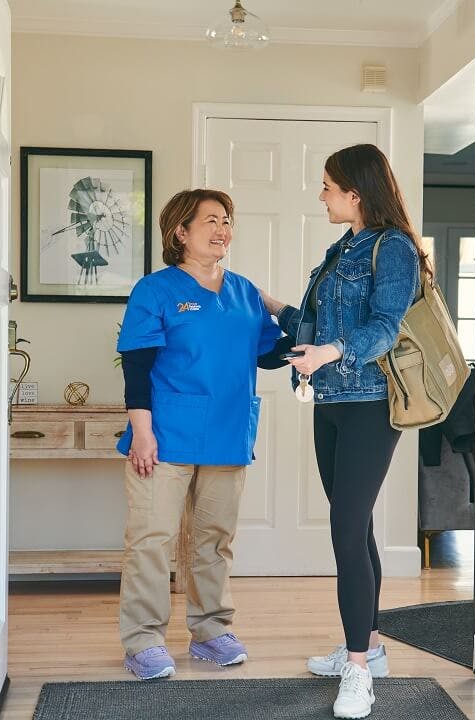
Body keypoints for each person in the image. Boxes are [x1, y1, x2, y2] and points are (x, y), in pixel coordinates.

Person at [260, 144, 427, 719]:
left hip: (370, 403)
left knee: (345, 528)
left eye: (328, 186)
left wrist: (332, 350)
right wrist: (265, 301)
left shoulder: (395, 247)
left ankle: (358, 672)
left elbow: (384, 326)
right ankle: (370, 647)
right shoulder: (343, 248)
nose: (321, 194)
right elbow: (314, 324)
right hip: (329, 402)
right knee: (355, 529)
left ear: (355, 192)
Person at [115, 188, 282, 680]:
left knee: (213, 540)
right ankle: (143, 640)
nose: (222, 228)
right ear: (180, 232)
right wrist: (141, 431)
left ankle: (211, 630)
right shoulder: (156, 289)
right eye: (210, 220)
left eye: (227, 220)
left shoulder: (246, 292)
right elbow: (137, 365)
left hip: (228, 433)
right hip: (165, 435)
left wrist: (319, 337)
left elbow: (269, 353)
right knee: (151, 539)